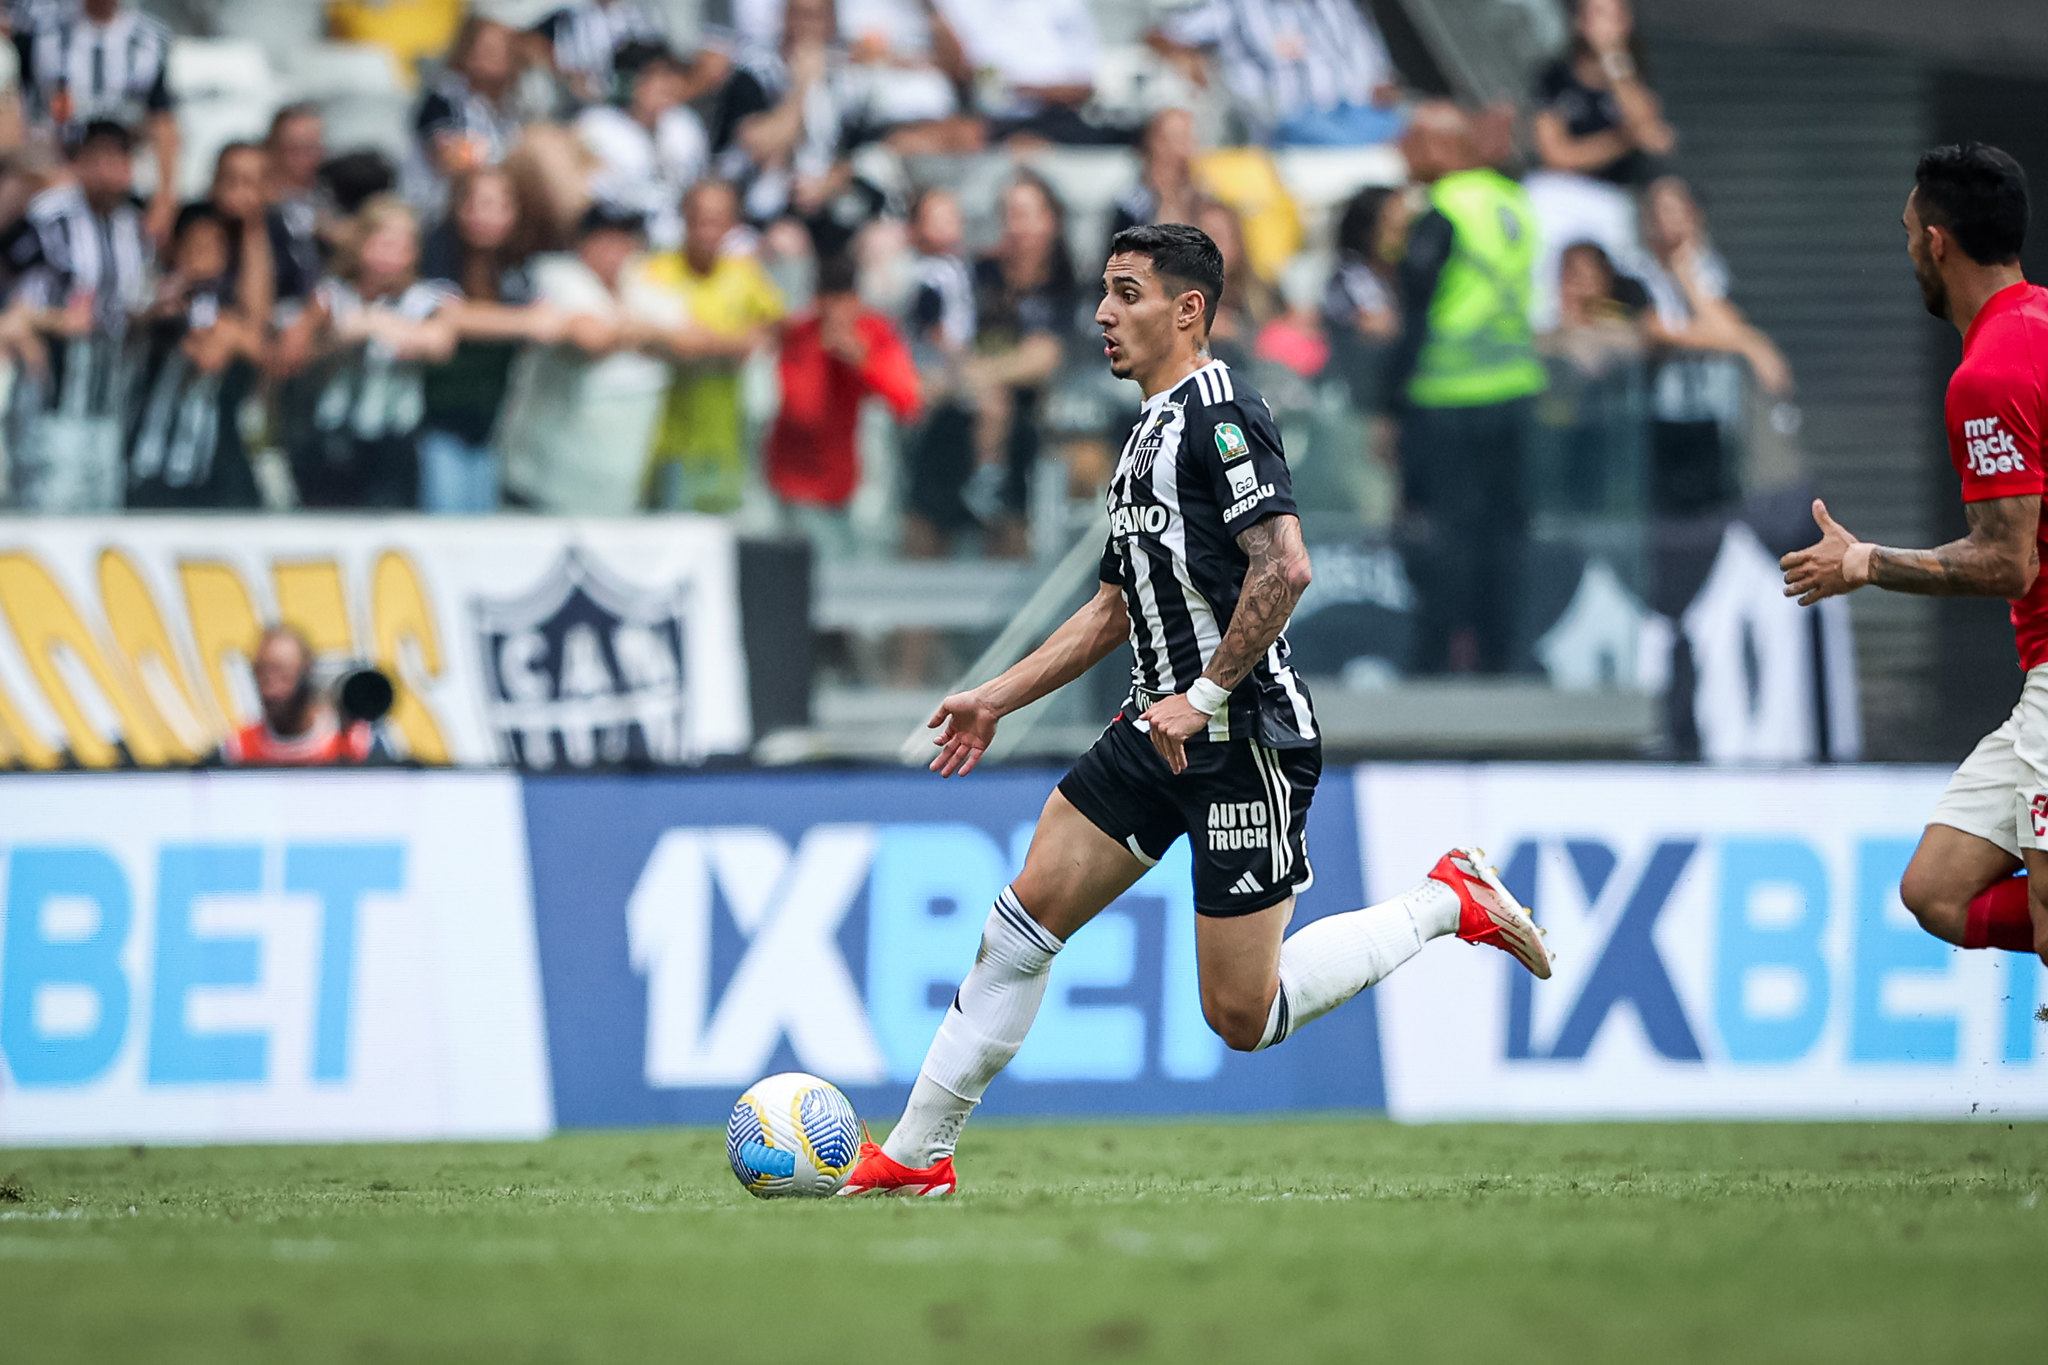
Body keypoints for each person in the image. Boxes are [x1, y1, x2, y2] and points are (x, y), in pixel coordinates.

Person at [838, 222, 1551, 1197]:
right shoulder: (1143, 436)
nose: (1101, 312)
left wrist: (1205, 693)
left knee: (1240, 1018)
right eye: (1101, 291)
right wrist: (994, 697)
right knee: (1019, 926)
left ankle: (1445, 901)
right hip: (1153, 733)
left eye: (1125, 292)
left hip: (1240, 738)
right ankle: (915, 1158)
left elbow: (1284, 566)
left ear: (1187, 310)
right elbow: (1110, 609)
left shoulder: (1222, 415)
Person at [1782, 143, 2048, 967]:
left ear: (1937, 241)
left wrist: (1868, 562)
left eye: (1906, 234)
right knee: (1937, 889)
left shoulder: (1991, 373)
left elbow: (2009, 565)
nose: (1907, 253)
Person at [1385, 102, 1547, 674]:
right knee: (1506, 540)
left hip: (1445, 399)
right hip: (1515, 391)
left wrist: (1389, 406)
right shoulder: (1514, 203)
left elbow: (1414, 315)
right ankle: (1503, 660)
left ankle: (1436, 662)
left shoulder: (1445, 208)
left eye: (1413, 139)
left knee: (1444, 542)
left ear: (1442, 148)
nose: (1403, 150)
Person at [497, 202, 691, 515]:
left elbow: (690, 342)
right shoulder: (554, 273)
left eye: (625, 239)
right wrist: (651, 335)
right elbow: (589, 338)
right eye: (606, 238)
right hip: (549, 478)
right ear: (582, 241)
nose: (617, 249)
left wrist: (627, 332)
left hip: (621, 481)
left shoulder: (642, 280)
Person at [2, 118, 153, 512]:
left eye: (116, 159)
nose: (107, 171)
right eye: (97, 159)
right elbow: (11, 300)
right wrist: (52, 321)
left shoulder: (133, 225)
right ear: (80, 163)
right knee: (51, 501)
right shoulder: (48, 221)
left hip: (109, 401)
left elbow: (129, 302)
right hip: (53, 400)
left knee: (103, 509)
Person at [274, 195, 458, 508]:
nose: (389, 256)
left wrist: (374, 323)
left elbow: (440, 343)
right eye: (381, 243)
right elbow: (290, 354)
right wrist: (333, 342)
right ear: (361, 244)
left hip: (394, 435)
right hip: (333, 432)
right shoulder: (333, 295)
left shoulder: (425, 299)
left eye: (400, 246)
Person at [1637, 175, 1790, 515]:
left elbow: (1724, 325)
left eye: (1677, 210)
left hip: (1713, 419)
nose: (1669, 219)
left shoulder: (1710, 270)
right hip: (1658, 418)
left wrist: (1686, 276)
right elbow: (1656, 331)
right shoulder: (1637, 273)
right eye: (1661, 210)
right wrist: (1750, 344)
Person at [417, 166, 559, 513]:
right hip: (435, 426)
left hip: (490, 431)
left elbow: (540, 325)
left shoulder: (515, 265)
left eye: (500, 206)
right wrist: (527, 322)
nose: (487, 216)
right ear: (459, 207)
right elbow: (450, 316)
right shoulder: (437, 251)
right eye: (479, 203)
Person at [1524, 0, 1674, 325]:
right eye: (1595, 15)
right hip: (1559, 196)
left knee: (1615, 283)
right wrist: (1623, 140)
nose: (1603, 26)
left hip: (1613, 199)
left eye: (1612, 15)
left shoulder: (1635, 77)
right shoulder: (1555, 76)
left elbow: (1646, 128)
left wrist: (1615, 61)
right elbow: (1556, 154)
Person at [641, 178, 784, 513]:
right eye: (699, 219)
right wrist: (733, 342)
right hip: (663, 437)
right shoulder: (655, 272)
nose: (707, 230)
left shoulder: (744, 274)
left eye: (717, 221)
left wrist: (715, 342)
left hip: (723, 438)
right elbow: (680, 343)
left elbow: (774, 326)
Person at [764, 251, 920, 545]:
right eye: (827, 300)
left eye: (843, 300)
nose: (835, 311)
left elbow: (906, 399)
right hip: (786, 480)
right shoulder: (799, 332)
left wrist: (862, 360)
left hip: (843, 488)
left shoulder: (872, 332)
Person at [966, 172, 1077, 556]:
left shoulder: (1069, 281)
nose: (1018, 227)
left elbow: (1047, 357)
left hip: (1039, 423)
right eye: (1010, 215)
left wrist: (985, 371)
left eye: (1027, 214)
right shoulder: (978, 276)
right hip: (970, 414)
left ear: (1052, 220)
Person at [124, 203, 263, 509]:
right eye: (192, 247)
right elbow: (133, 326)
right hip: (151, 458)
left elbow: (252, 351)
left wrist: (227, 336)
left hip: (210, 462)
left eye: (211, 248)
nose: (200, 257)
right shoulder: (153, 304)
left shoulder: (228, 315)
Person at [15, 0, 179, 242]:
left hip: (127, 175)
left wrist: (165, 197)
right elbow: (19, 110)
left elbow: (163, 121)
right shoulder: (42, 34)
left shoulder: (151, 39)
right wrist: (39, 171)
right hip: (57, 169)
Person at [1149, 0, 1404, 146]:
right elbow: (1165, 35)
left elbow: (1380, 73)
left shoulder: (1336, 6)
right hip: (1288, 121)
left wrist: (1383, 89)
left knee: (1421, 124)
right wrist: (1189, 61)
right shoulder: (1236, 6)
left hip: (1358, 114)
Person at [899, 185, 979, 556]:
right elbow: (932, 326)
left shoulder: (957, 268)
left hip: (952, 380)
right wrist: (961, 360)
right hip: (935, 375)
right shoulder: (928, 273)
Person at [575, 40, 709, 253]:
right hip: (620, 235)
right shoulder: (596, 127)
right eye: (653, 77)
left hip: (678, 237)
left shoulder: (684, 124)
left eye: (669, 76)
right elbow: (594, 198)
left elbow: (695, 188)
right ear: (628, 81)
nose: (665, 86)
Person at [403, 15, 528, 216]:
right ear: (467, 50)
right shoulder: (443, 97)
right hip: (438, 207)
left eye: (503, 48)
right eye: (487, 48)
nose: (496, 54)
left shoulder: (511, 105)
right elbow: (449, 158)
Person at [217, 625, 375, 766]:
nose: (270, 686)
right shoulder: (239, 748)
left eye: (280, 671)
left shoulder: (353, 741)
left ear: (306, 669)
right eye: (260, 671)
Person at [264, 104, 331, 314]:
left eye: (313, 147)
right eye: (296, 148)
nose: (307, 156)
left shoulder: (331, 195)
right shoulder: (259, 204)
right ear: (272, 148)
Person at [1107, 108, 1204, 250]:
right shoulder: (1133, 203)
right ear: (1157, 143)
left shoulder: (1204, 196)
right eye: (1182, 138)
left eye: (1192, 138)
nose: (1191, 147)